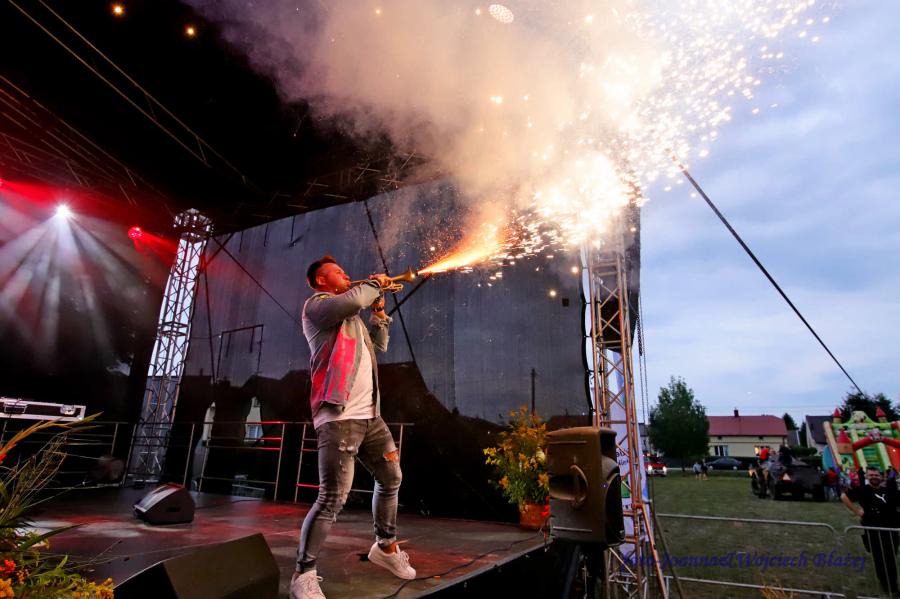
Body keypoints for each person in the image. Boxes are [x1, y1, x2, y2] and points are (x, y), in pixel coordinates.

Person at [291, 256, 416, 599]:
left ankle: (386, 547)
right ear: (321, 280)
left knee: (391, 477)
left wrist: (378, 313)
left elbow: (378, 346)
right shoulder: (317, 307)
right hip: (339, 417)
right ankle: (303, 573)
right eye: (338, 272)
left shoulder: (352, 321)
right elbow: (352, 300)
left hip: (370, 417)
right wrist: (373, 284)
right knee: (332, 498)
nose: (346, 274)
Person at [841, 466, 900, 596]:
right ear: (867, 476)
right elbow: (844, 496)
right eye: (871, 475)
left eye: (876, 475)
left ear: (881, 476)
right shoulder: (863, 490)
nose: (874, 477)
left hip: (891, 531)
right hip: (873, 531)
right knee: (880, 559)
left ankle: (892, 584)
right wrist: (857, 511)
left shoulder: (889, 490)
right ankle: (888, 585)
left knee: (891, 558)